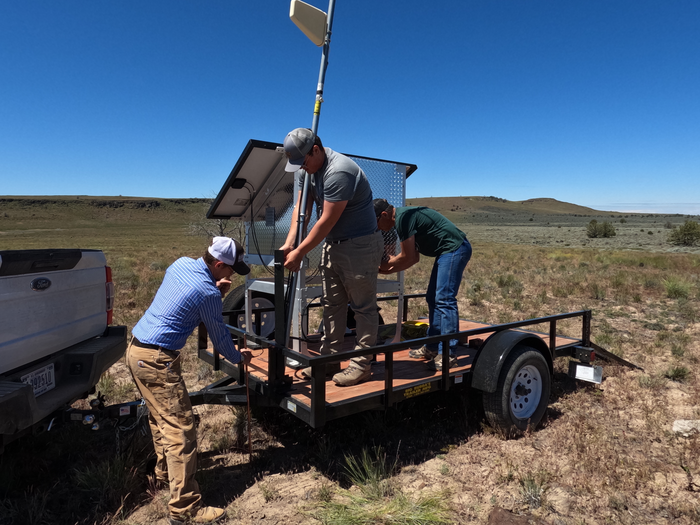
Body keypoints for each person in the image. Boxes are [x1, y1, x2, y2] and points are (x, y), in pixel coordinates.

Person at [127, 237, 252, 525]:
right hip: (158, 360)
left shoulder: (181, 264)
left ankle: (163, 476)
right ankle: (185, 509)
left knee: (160, 420)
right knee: (181, 431)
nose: (232, 276)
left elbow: (186, 299)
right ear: (219, 264)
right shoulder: (207, 292)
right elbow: (220, 338)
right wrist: (238, 356)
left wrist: (215, 292)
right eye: (231, 270)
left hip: (136, 352)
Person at [280, 127, 383, 387]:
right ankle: (328, 361)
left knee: (362, 307)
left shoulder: (340, 171)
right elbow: (300, 210)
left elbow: (326, 220)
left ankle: (362, 365)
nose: (301, 168)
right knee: (332, 304)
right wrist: (289, 242)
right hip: (333, 245)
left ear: (316, 150)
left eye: (303, 161)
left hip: (359, 246)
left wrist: (300, 251)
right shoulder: (308, 170)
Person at [374, 199, 472, 370]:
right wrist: (386, 269)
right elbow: (414, 257)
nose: (377, 227)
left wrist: (383, 269)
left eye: (376, 223)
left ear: (384, 215)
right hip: (445, 252)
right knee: (433, 298)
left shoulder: (403, 219)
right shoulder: (400, 220)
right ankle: (432, 347)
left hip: (455, 248)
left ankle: (448, 353)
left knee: (444, 299)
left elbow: (408, 257)